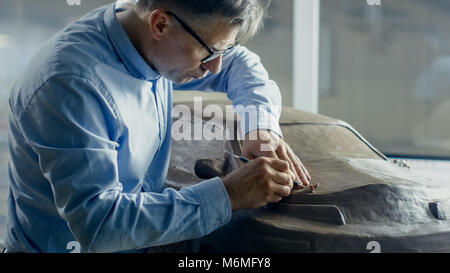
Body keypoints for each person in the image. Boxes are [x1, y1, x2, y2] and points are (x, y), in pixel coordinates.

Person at [4, 0, 311, 253]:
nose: (215, 66)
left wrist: (260, 128)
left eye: (223, 51)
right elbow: (100, 226)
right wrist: (229, 194)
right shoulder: (73, 86)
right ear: (160, 24)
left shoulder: (143, 37)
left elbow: (241, 65)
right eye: (210, 53)